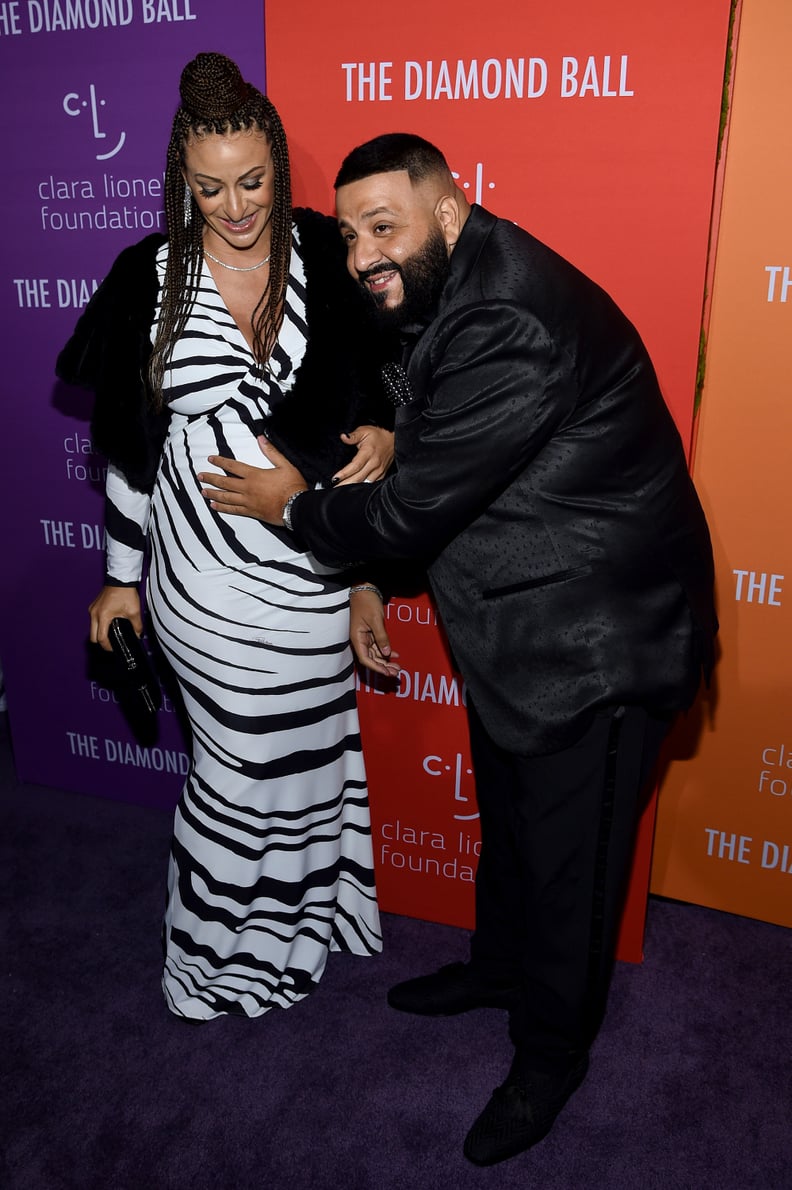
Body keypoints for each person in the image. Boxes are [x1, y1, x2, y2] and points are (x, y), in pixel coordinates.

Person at [196, 132, 718, 1164]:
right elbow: (414, 411)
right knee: (519, 830)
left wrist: (294, 508)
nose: (360, 256)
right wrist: (384, 460)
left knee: (572, 869)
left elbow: (405, 516)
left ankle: (550, 1054)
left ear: (449, 206)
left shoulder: (509, 316)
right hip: (524, 621)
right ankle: (496, 967)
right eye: (347, 235)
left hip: (601, 642)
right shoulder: (453, 278)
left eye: (381, 227)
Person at [56, 55, 398, 1022]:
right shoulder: (148, 278)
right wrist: (122, 580)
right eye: (210, 187)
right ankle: (213, 953)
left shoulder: (326, 253)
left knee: (310, 756)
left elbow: (377, 392)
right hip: (202, 578)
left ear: (278, 167)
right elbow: (128, 449)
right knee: (239, 766)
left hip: (309, 566)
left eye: (252, 181)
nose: (236, 205)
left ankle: (296, 928)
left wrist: (386, 433)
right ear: (181, 176)